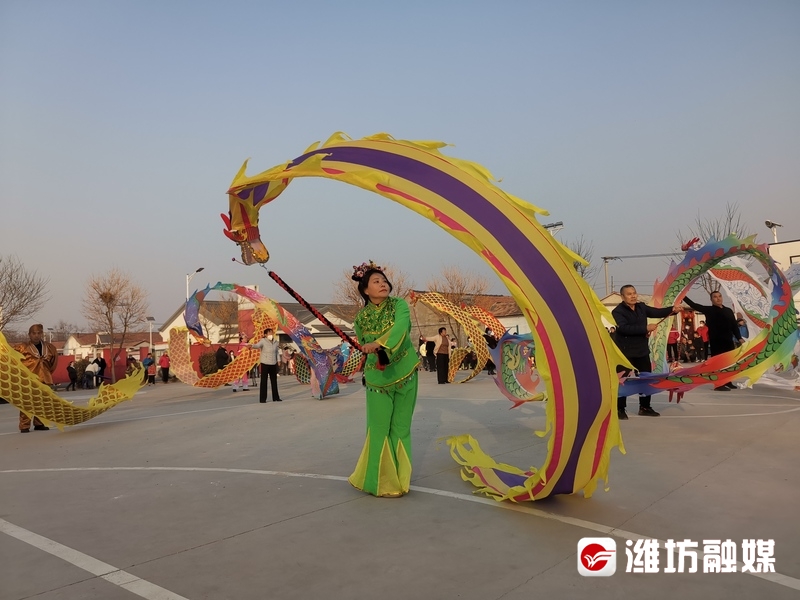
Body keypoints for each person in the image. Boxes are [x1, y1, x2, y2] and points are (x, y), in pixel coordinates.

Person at [348, 262, 419, 497]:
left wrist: (378, 343)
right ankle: (380, 482)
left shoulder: (399, 305)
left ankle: (400, 481)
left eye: (384, 280)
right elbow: (363, 342)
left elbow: (401, 328)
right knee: (378, 430)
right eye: (376, 281)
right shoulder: (360, 319)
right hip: (378, 381)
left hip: (406, 373)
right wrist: (368, 348)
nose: (382, 284)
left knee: (401, 429)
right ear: (365, 290)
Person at [612, 285, 682, 419]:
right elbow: (624, 328)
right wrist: (645, 328)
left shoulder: (641, 307)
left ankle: (645, 407)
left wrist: (672, 310)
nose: (633, 296)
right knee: (623, 381)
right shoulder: (618, 312)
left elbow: (656, 312)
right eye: (629, 294)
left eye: (634, 293)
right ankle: (620, 409)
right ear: (622, 297)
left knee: (646, 379)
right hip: (625, 353)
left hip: (642, 351)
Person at [683, 291, 743, 391]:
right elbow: (694, 305)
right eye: (715, 297)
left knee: (729, 363)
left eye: (720, 296)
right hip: (716, 341)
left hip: (728, 340)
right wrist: (683, 296)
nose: (718, 298)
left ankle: (728, 381)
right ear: (711, 299)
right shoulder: (709, 310)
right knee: (718, 364)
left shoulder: (728, 311)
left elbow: (734, 326)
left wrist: (739, 338)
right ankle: (718, 384)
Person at [14, 324, 58, 432]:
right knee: (27, 402)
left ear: (42, 334)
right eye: (34, 333)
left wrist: (47, 373)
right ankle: (24, 425)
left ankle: (39, 423)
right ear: (29, 334)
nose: (36, 335)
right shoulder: (22, 348)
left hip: (45, 379)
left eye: (39, 333)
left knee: (43, 402)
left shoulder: (50, 348)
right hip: (28, 379)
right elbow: (12, 359)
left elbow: (54, 364)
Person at [250, 328, 280, 402]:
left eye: (271, 333)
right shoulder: (263, 341)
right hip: (265, 363)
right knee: (264, 381)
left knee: (274, 381)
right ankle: (263, 399)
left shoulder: (275, 342)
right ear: (265, 335)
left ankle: (276, 397)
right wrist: (251, 345)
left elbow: (277, 352)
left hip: (273, 363)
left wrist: (278, 360)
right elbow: (257, 346)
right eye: (269, 333)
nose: (271, 334)